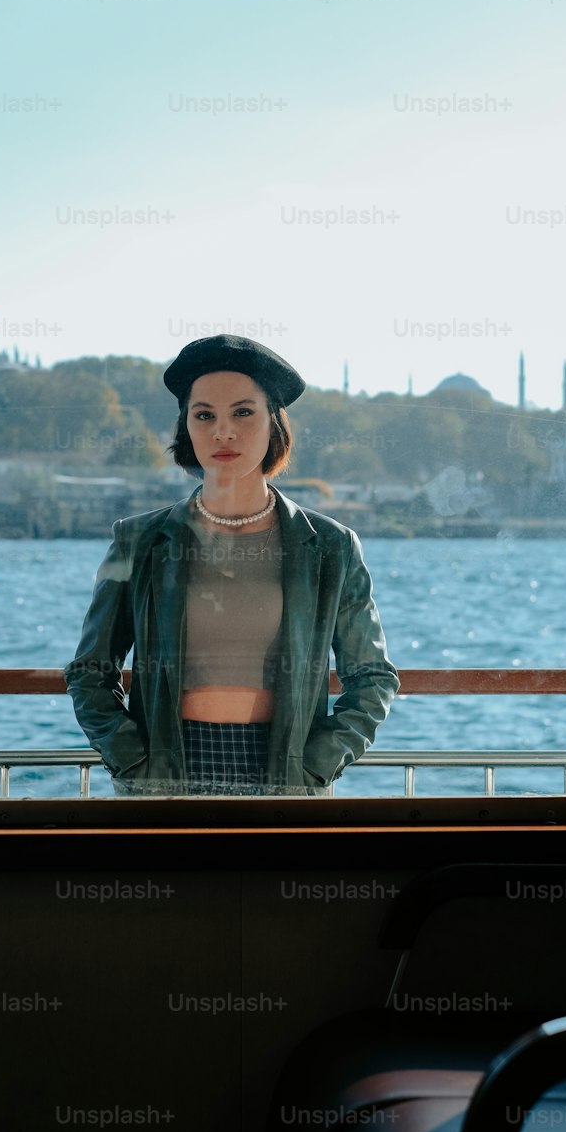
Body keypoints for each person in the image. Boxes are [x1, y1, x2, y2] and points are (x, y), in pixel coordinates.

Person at [63, 334, 400, 796]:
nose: (223, 431)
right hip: (163, 774)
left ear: (273, 424)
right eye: (205, 416)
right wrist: (133, 762)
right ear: (187, 428)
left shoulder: (331, 546)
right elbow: (90, 671)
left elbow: (372, 677)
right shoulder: (138, 541)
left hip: (286, 775)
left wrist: (317, 764)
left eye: (243, 412)